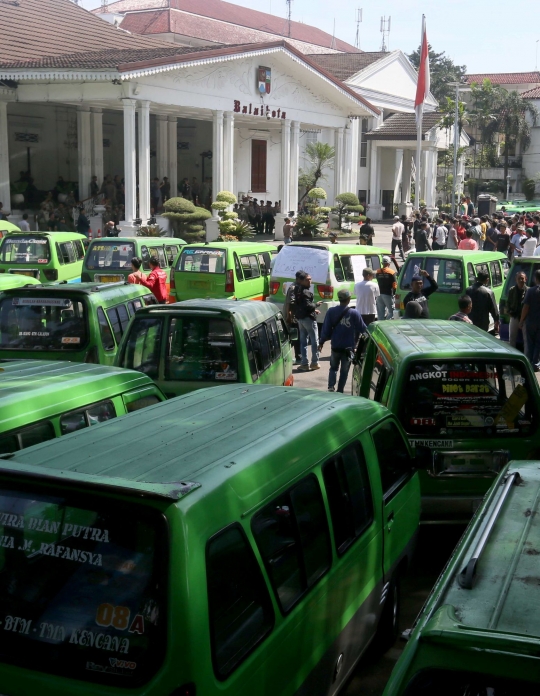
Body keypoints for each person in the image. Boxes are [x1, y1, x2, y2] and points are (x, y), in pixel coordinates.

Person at [319, 290, 366, 393]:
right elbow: (363, 329)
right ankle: (340, 390)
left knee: (333, 368)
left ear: (339, 299)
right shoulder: (354, 313)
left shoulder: (331, 311)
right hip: (348, 348)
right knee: (344, 371)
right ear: (349, 299)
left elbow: (326, 329)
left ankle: (331, 387)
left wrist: (321, 342)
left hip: (335, 345)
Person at [289, 270, 321, 371]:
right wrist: (316, 305)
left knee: (303, 342)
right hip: (308, 319)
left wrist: (313, 309)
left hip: (300, 319)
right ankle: (314, 362)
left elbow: (300, 305)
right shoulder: (306, 292)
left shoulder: (296, 290)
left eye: (310, 280)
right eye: (307, 280)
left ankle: (304, 363)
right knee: (314, 340)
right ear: (301, 281)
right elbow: (307, 305)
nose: (310, 282)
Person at [507, 271, 528, 350]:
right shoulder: (512, 290)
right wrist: (509, 312)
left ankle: (527, 357)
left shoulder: (528, 291)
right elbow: (508, 303)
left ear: (525, 279)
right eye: (519, 278)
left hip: (525, 318)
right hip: (514, 316)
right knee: (512, 338)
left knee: (526, 340)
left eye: (522, 278)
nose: (520, 280)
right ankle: (512, 356)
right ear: (515, 280)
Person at [375, 256, 396, 320]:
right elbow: (394, 285)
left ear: (382, 263)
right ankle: (387, 323)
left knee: (380, 313)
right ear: (389, 264)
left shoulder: (378, 272)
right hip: (388, 294)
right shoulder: (392, 272)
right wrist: (395, 293)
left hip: (379, 294)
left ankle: (380, 326)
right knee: (391, 312)